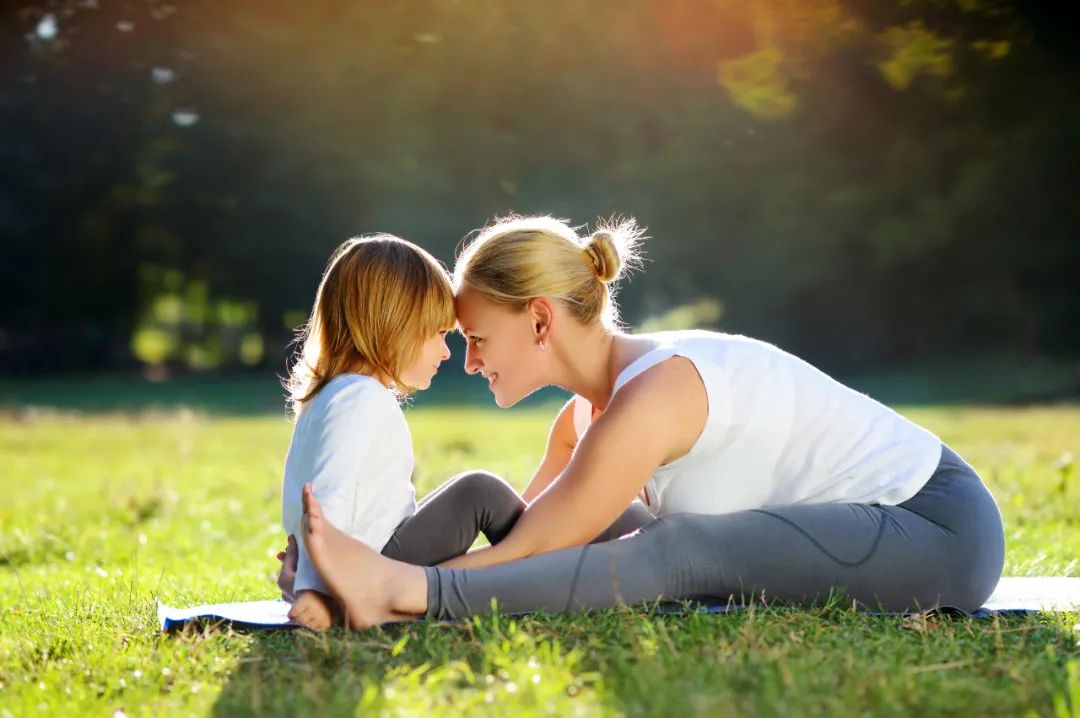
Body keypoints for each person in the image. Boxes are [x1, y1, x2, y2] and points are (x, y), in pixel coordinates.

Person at [294, 215, 1006, 630]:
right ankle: (385, 586)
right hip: (869, 532)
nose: (469, 362)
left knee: (680, 550)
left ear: (539, 319)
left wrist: (394, 585)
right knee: (651, 545)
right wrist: (331, 575)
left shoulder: (655, 396)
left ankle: (399, 595)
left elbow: (536, 548)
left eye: (477, 338)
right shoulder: (584, 421)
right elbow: (533, 549)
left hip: (936, 529)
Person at [278, 233, 650, 630]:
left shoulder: (328, 398)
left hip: (368, 555)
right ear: (394, 325)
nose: (447, 352)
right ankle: (597, 548)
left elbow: (306, 502)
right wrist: (315, 591)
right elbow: (326, 499)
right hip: (373, 561)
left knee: (498, 504)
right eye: (439, 334)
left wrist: (306, 569)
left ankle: (596, 539)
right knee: (479, 492)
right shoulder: (360, 399)